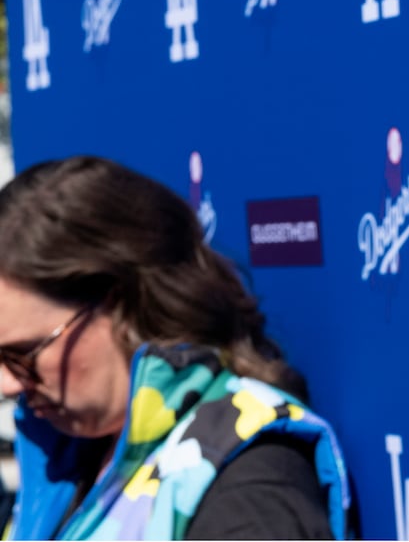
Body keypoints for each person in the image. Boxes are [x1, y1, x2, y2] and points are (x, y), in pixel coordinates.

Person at [0, 157, 351, 540]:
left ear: (120, 305)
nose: (8, 385)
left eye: (25, 353)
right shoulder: (65, 454)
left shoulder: (248, 482)